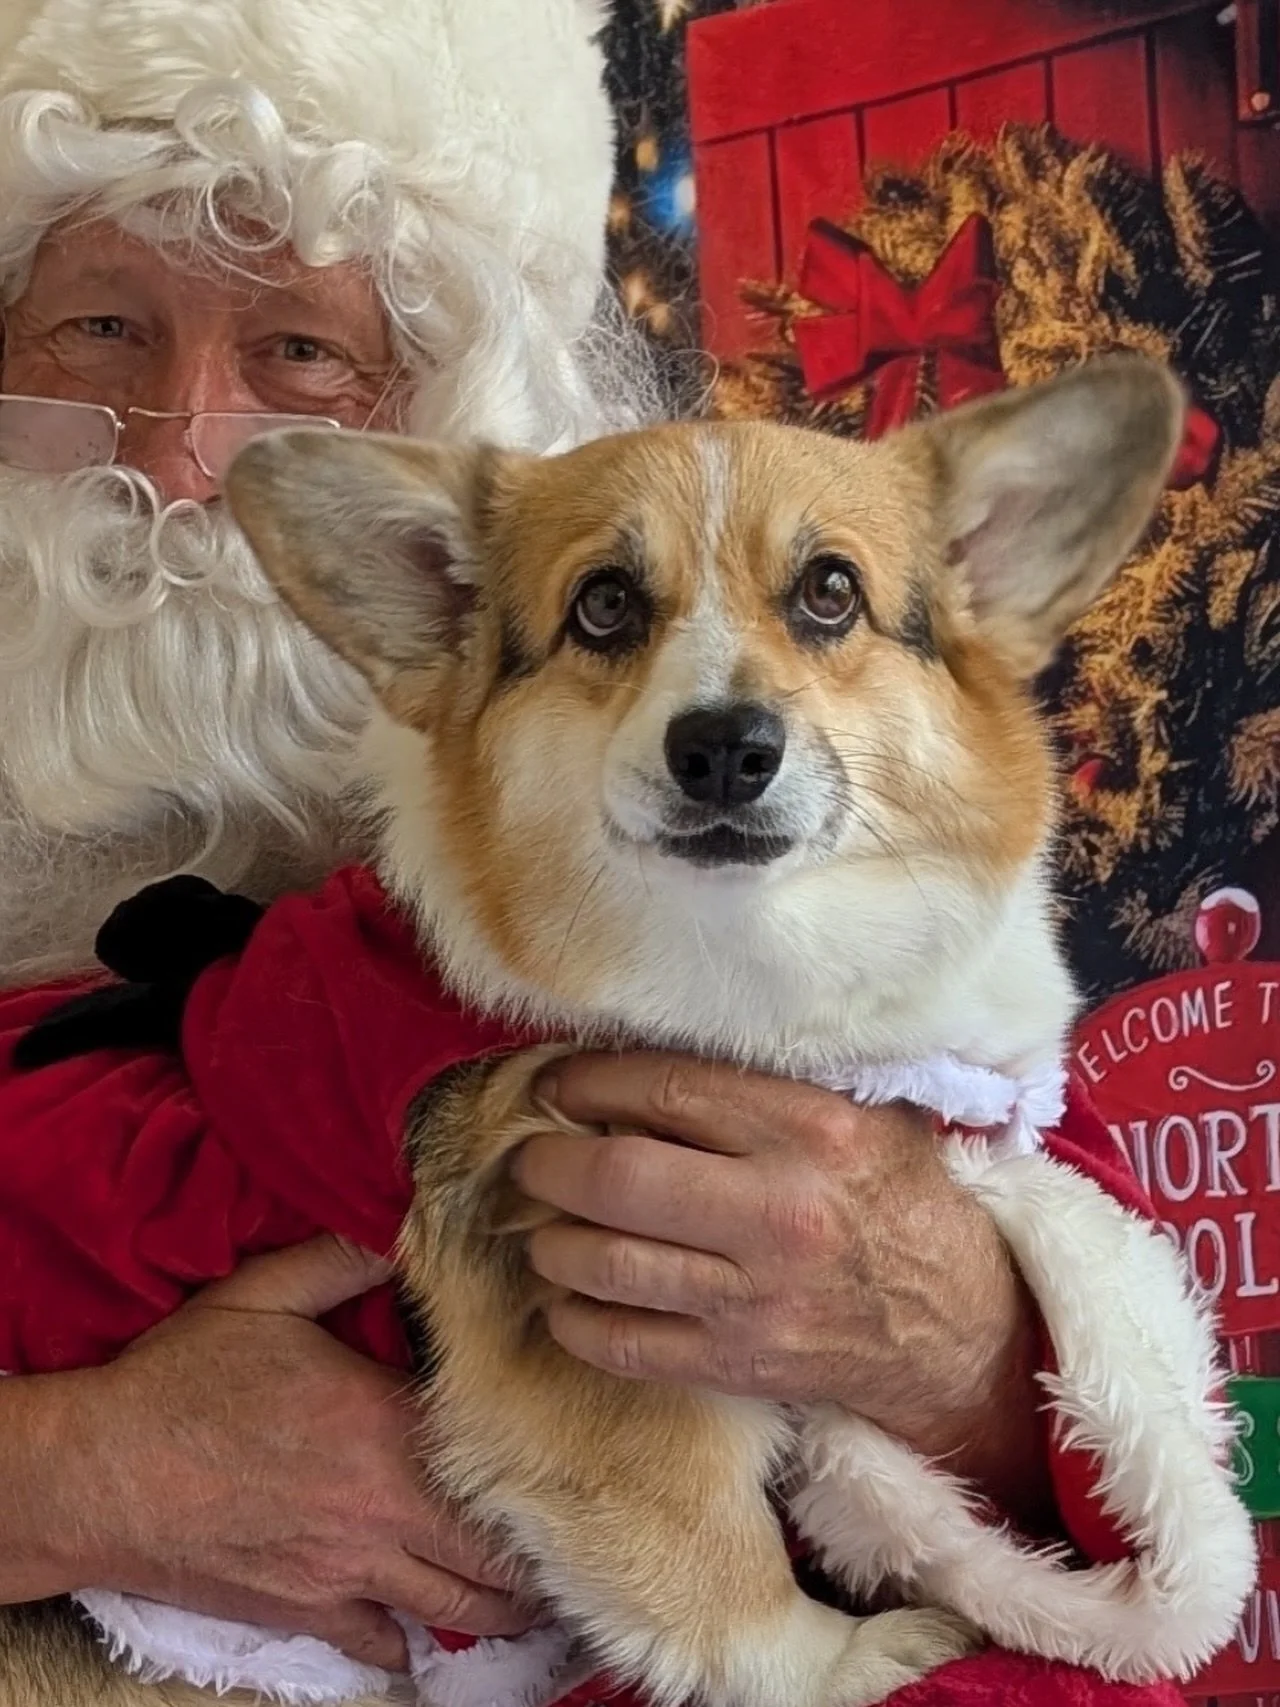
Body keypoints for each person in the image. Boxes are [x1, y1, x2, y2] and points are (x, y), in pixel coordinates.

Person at [0, 1, 1252, 1703]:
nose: (181, 452)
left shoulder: (818, 843)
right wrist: (67, 1473)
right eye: (95, 325)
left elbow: (1086, 1413)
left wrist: (955, 1333)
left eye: (298, 351)